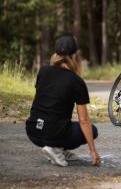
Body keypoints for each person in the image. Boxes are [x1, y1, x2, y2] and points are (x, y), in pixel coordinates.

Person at [25, 36, 101, 167]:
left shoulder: (43, 71)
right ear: (75, 56)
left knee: (56, 121)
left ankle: (58, 148)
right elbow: (84, 120)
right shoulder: (76, 81)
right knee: (92, 130)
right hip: (54, 134)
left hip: (33, 131)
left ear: (56, 54)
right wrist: (93, 151)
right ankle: (56, 148)